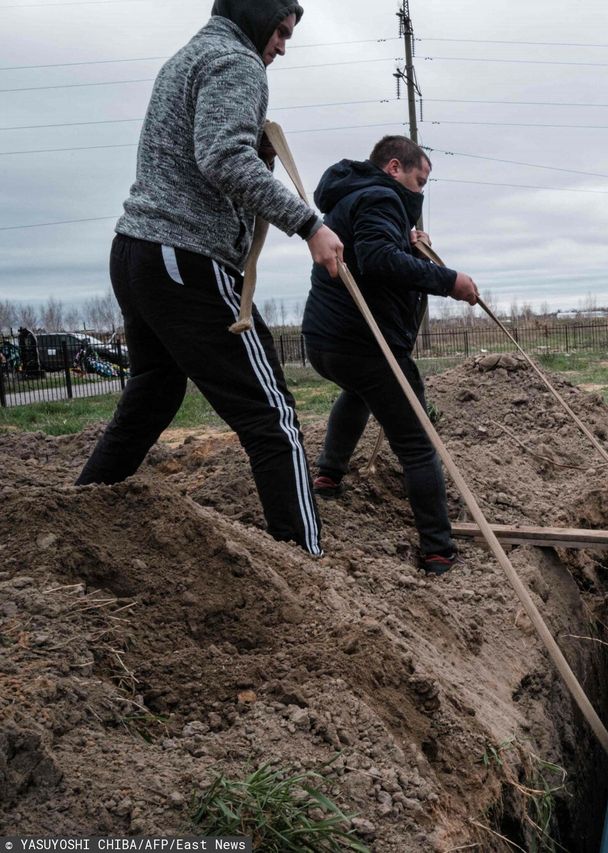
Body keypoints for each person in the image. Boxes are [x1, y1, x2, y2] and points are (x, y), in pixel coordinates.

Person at [76, 0, 345, 555]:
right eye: (280, 30)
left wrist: (258, 155)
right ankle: (307, 566)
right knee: (272, 417)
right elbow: (221, 158)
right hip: (184, 256)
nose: (282, 46)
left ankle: (78, 516)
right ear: (256, 15)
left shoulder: (189, 56)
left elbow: (211, 157)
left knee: (154, 392)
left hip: (137, 253)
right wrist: (308, 224)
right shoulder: (235, 61)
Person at [301, 136, 479, 573]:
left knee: (359, 393)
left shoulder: (353, 197)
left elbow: (370, 253)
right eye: (421, 180)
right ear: (395, 167)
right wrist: (448, 280)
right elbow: (378, 260)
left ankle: (328, 473)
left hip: (325, 340)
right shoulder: (381, 197)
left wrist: (407, 240)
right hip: (363, 343)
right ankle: (438, 550)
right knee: (418, 444)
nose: (421, 191)